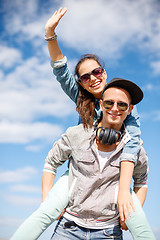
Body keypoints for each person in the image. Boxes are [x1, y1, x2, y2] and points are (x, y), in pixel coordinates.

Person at [10, 8, 155, 240]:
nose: (93, 78)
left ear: (104, 72)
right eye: (85, 77)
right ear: (82, 84)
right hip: (80, 170)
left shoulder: (124, 102)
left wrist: (124, 199)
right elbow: (60, 70)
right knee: (46, 210)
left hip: (113, 174)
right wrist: (50, 33)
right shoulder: (82, 101)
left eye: (96, 71)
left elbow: (132, 147)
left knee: (133, 212)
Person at [44, 78, 155, 239]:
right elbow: (50, 163)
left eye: (122, 104)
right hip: (68, 229)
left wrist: (129, 215)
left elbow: (142, 182)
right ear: (101, 105)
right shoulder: (77, 135)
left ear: (130, 109)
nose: (115, 109)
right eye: (109, 103)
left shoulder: (136, 150)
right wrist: (48, 201)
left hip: (109, 232)